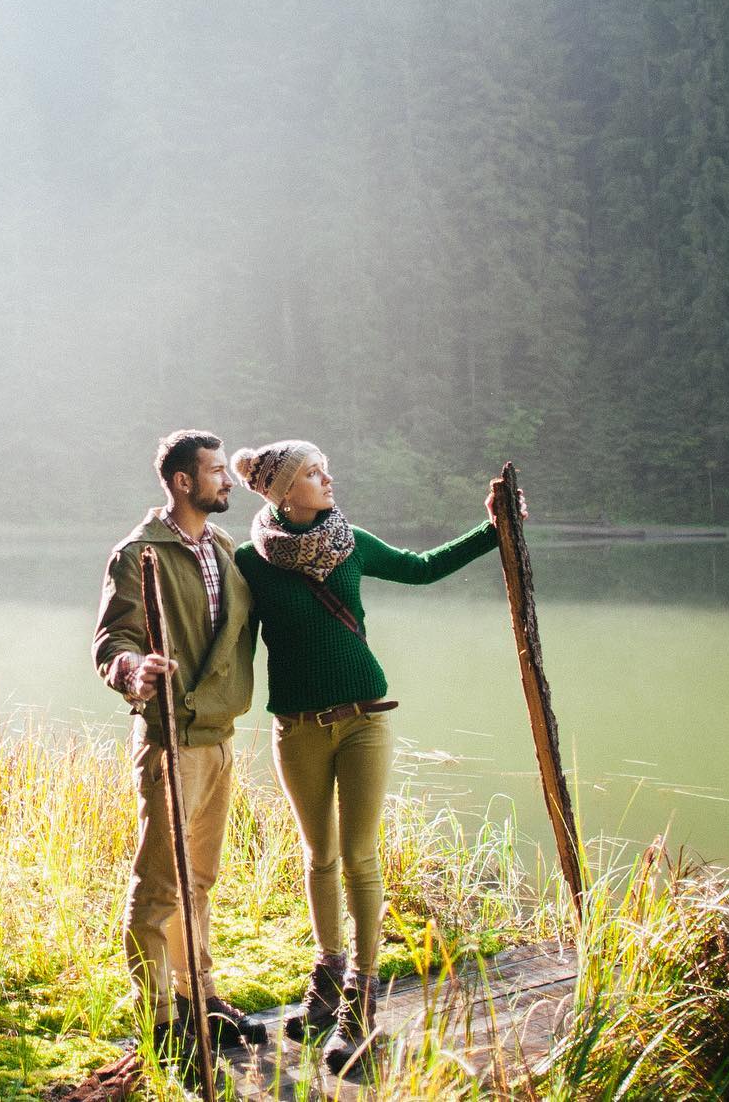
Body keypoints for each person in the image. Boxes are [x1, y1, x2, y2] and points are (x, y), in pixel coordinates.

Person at [230, 439, 514, 1074]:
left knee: (359, 856)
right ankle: (326, 978)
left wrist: (494, 531)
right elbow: (224, 631)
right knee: (318, 856)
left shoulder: (350, 541)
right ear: (281, 491)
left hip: (363, 720)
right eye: (312, 472)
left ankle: (361, 1000)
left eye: (324, 467)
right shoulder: (250, 561)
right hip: (296, 729)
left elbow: (422, 567)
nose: (328, 478)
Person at [92, 429, 267, 1074]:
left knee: (200, 878)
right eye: (216, 472)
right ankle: (160, 1015)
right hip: (170, 738)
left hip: (219, 737)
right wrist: (132, 670)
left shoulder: (225, 548)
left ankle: (200, 995)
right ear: (183, 481)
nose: (227, 480)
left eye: (226, 470)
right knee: (161, 881)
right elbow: (111, 643)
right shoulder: (139, 553)